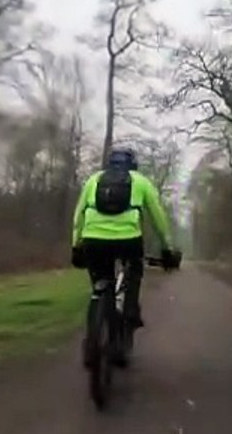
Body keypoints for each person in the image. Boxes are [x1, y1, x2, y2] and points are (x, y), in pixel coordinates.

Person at [71, 147, 179, 363]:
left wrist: (76, 245)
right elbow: (157, 215)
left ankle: (93, 338)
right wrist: (167, 247)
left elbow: (79, 214)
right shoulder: (140, 181)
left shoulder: (93, 180)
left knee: (100, 284)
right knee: (133, 271)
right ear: (133, 164)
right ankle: (129, 311)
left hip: (93, 239)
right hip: (128, 240)